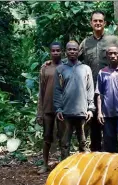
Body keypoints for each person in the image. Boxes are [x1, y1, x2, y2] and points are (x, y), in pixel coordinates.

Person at [79, 10, 118, 152]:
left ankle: (114, 153)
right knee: (94, 121)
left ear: (104, 23)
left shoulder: (112, 40)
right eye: (95, 21)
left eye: (100, 21)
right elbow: (74, 57)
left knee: (109, 121)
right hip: (91, 90)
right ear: (91, 23)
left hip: (110, 90)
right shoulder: (86, 42)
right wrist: (54, 63)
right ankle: (96, 153)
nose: (98, 23)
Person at [53, 41, 95, 159]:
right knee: (65, 144)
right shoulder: (60, 69)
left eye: (75, 49)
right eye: (70, 49)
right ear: (66, 52)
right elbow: (57, 91)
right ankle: (64, 170)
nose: (72, 51)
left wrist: (91, 108)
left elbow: (90, 90)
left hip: (83, 113)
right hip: (65, 113)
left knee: (83, 144)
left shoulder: (86, 69)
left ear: (78, 51)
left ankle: (83, 171)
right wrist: (58, 109)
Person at [95, 45, 118, 153]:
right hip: (107, 113)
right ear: (106, 56)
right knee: (110, 145)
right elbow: (99, 93)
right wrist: (99, 112)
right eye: (110, 53)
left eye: (115, 53)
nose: (113, 56)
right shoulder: (102, 72)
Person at [36, 42, 63, 174]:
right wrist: (39, 112)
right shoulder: (45, 68)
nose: (56, 53)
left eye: (58, 50)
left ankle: (62, 163)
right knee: (47, 137)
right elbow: (41, 90)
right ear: (50, 52)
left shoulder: (65, 67)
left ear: (61, 52)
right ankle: (45, 164)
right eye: (53, 51)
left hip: (62, 109)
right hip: (47, 107)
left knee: (62, 137)